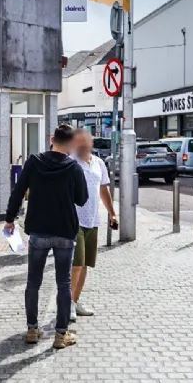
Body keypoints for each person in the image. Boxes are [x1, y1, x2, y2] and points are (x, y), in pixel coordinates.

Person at [4, 123, 88, 350]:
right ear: (71, 144)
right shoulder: (73, 167)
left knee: (33, 282)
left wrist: (10, 219)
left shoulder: (33, 162)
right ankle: (61, 335)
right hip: (64, 232)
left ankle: (32, 329)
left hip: (39, 231)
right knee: (63, 283)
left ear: (52, 139)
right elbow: (82, 199)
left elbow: (18, 191)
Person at [69, 129, 118, 321]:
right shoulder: (70, 162)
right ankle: (68, 305)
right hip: (74, 221)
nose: (82, 146)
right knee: (76, 264)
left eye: (85, 142)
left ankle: (75, 300)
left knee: (86, 264)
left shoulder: (98, 163)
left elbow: (103, 190)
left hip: (92, 220)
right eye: (78, 142)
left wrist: (112, 214)